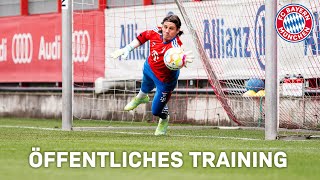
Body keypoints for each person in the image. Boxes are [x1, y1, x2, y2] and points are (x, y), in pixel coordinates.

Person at [111, 14, 193, 135]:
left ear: (177, 31)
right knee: (145, 86)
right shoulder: (155, 32)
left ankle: (164, 119)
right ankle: (141, 97)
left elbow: (180, 56)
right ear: (162, 26)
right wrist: (127, 48)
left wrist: (182, 60)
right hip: (149, 68)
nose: (167, 31)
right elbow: (142, 37)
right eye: (165, 27)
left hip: (165, 81)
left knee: (156, 111)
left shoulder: (175, 47)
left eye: (171, 28)